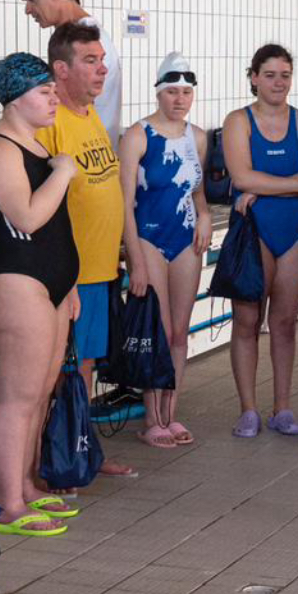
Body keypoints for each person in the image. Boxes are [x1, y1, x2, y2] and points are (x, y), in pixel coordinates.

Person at [0, 53, 85, 535]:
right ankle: (6, 503)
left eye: (53, 90)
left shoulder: (34, 145)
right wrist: (64, 172)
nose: (54, 99)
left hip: (48, 283)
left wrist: (68, 285)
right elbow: (28, 218)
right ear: (14, 99)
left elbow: (54, 225)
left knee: (38, 392)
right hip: (13, 280)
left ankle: (26, 485)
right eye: (44, 92)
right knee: (16, 397)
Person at [35, 21, 135, 475]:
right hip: (70, 274)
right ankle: (50, 462)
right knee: (58, 371)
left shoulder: (88, 113)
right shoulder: (50, 123)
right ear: (61, 69)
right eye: (90, 61)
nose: (102, 69)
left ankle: (80, 451)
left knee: (84, 366)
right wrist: (64, 274)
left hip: (99, 268)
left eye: (102, 60)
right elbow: (41, 208)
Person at [222, 44, 298, 439]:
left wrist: (262, 187)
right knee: (247, 321)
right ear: (254, 78)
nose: (278, 83)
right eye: (270, 75)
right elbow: (241, 177)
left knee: (284, 323)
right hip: (253, 229)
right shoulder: (238, 122)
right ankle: (248, 410)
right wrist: (291, 184)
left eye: (285, 75)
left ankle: (282, 408)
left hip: (293, 229)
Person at [118, 53, 213, 448]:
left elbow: (196, 190)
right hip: (148, 238)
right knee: (156, 329)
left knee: (178, 332)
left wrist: (204, 215)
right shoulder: (137, 136)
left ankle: (171, 414)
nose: (179, 99)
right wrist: (135, 260)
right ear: (158, 93)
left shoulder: (198, 138)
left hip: (185, 237)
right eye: (172, 91)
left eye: (186, 92)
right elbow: (124, 204)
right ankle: (151, 417)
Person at [15, 0, 121, 131]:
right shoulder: (83, 35)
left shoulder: (86, 41)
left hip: (83, 143)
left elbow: (76, 107)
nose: (28, 10)